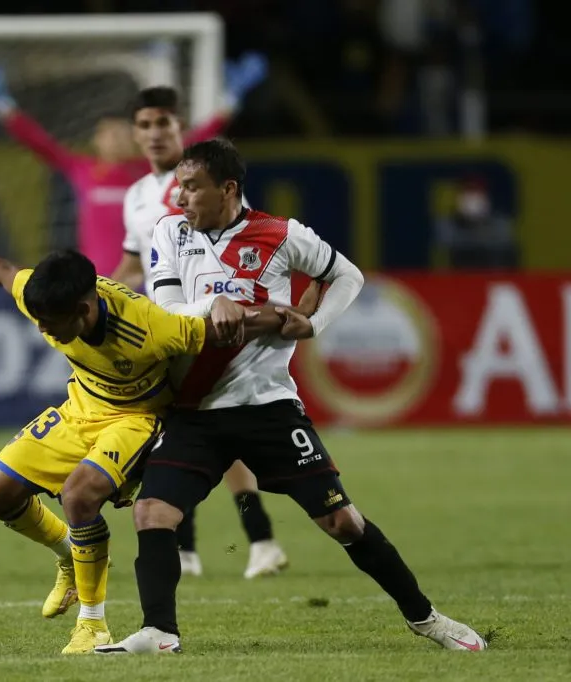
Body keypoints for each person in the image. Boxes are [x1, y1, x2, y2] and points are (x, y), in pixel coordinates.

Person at [96, 139, 487, 654]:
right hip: (195, 409)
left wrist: (313, 323)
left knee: (341, 520)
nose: (181, 196)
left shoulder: (281, 235)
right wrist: (219, 302)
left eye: (191, 187)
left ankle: (427, 618)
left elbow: (348, 275)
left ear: (228, 189)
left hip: (268, 407)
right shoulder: (170, 230)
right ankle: (160, 632)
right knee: (152, 513)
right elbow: (166, 309)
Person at [0, 231, 311, 654]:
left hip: (136, 419)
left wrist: (281, 318)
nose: (42, 328)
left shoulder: (149, 326)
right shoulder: (49, 296)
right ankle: (69, 553)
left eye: (50, 322)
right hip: (81, 407)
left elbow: (219, 331)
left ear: (84, 310)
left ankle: (93, 624)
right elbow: (2, 271)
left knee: (79, 496)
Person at [112, 85, 287, 580]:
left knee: (204, 432)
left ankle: (248, 540)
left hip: (208, 326)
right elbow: (132, 266)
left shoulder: (205, 183)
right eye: (144, 125)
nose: (153, 134)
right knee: (182, 432)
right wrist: (93, 295)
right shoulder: (138, 195)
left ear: (180, 127)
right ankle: (222, 545)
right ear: (135, 132)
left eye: (163, 123)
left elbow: (238, 241)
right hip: (160, 325)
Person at [0, 54, 267, 277]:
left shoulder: (151, 171)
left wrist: (230, 101)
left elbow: (197, 140)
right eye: (108, 132)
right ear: (97, 140)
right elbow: (38, 141)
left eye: (122, 132)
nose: (116, 137)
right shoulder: (81, 169)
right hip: (98, 287)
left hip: (147, 287)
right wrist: (0, 103)